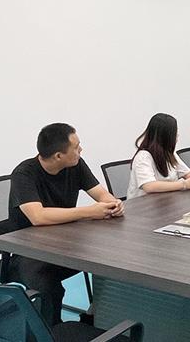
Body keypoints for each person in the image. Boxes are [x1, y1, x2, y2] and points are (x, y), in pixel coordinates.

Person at [7, 123, 125, 325]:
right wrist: (89, 212)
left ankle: (93, 317)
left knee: (112, 260)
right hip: (29, 251)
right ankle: (52, 331)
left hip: (67, 242)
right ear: (58, 156)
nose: (81, 150)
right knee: (48, 287)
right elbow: (38, 217)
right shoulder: (24, 174)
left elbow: (101, 194)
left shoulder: (76, 164)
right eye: (76, 147)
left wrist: (113, 204)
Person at [127, 113, 190, 199]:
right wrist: (184, 184)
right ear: (165, 136)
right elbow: (149, 186)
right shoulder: (143, 157)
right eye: (174, 133)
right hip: (144, 204)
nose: (177, 135)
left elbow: (187, 173)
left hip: (166, 200)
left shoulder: (169, 153)